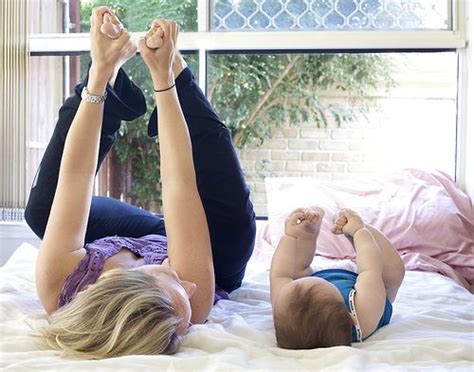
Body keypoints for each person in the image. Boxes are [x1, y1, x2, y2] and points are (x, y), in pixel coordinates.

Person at [24, 7, 255, 358]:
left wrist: (99, 72)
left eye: (176, 283)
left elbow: (76, 175)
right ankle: (184, 83)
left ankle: (112, 88)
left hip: (134, 239)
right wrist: (166, 78)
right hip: (210, 250)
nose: (187, 285)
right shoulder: (197, 297)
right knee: (234, 232)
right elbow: (180, 183)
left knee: (43, 210)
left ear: (117, 279)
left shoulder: (59, 282)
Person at [270, 207, 405, 348]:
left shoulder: (285, 310)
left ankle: (307, 234)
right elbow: (370, 269)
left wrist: (291, 236)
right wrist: (359, 232)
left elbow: (281, 275)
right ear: (350, 318)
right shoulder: (363, 315)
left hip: (319, 291)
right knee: (392, 273)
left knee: (296, 271)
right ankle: (355, 225)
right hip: (372, 292)